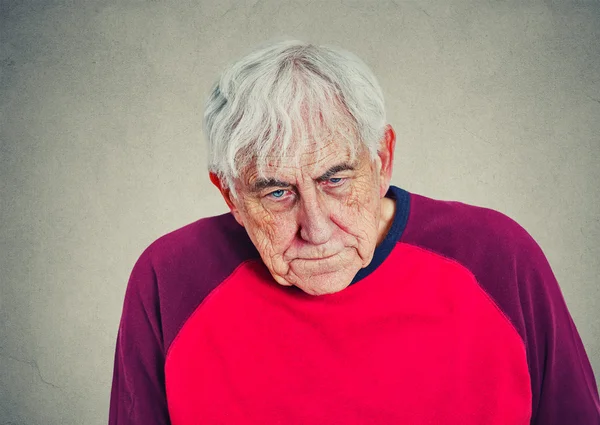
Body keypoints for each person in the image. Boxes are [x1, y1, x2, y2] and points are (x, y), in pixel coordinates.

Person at [108, 40, 600, 424]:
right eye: (277, 192)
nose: (316, 230)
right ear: (230, 195)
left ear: (381, 160)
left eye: (336, 179)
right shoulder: (169, 278)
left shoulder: (498, 258)